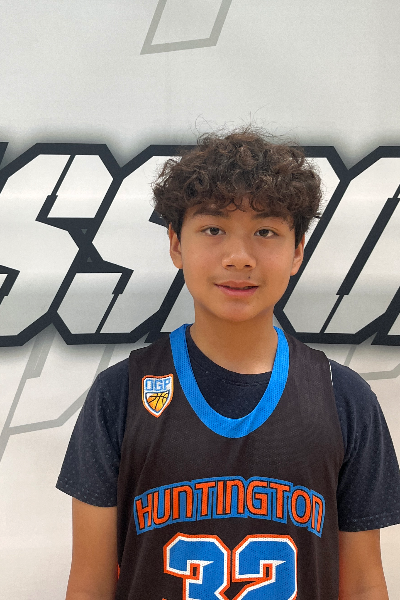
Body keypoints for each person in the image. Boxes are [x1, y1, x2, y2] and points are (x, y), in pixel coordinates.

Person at [57, 128, 400, 600]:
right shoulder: (119, 395)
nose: (239, 258)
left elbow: (362, 585)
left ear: (298, 250)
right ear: (176, 244)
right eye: (213, 230)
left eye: (265, 232)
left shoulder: (344, 398)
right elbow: (90, 585)